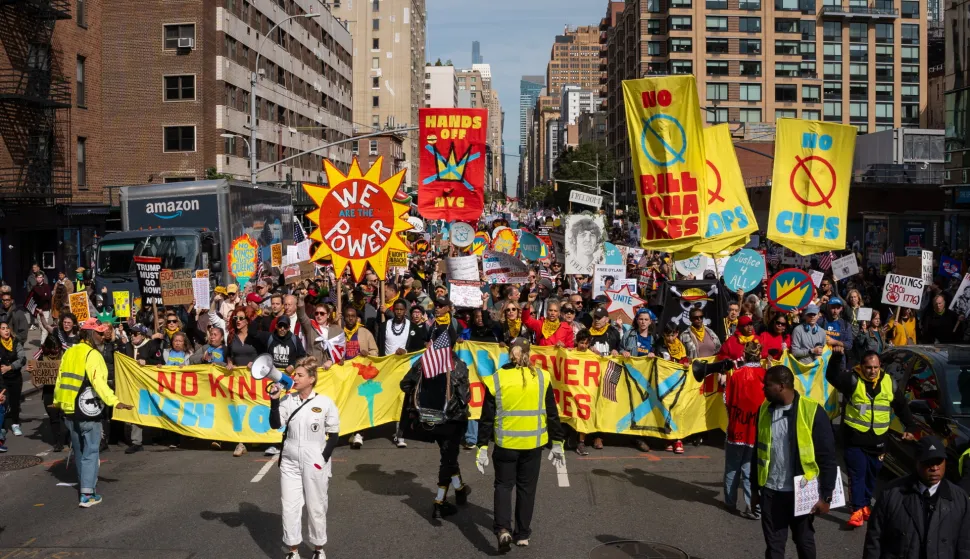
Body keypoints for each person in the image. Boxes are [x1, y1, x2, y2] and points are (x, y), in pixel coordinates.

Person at [475, 337, 566, 552]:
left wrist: (481, 448)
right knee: (527, 489)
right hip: (533, 445)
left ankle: (503, 529)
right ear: (529, 352)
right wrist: (558, 442)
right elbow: (553, 414)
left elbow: (487, 417)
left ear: (509, 353)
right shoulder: (542, 377)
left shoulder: (497, 378)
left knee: (504, 486)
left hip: (506, 444)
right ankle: (522, 534)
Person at [751, 365, 838, 559]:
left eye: (767, 385)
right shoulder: (764, 409)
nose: (763, 389)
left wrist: (826, 496)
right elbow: (757, 452)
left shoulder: (813, 411)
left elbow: (827, 458)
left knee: (804, 541)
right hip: (772, 492)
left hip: (801, 494)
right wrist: (755, 489)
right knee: (774, 547)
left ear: (781, 386)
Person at [827, 348, 918, 528]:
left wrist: (910, 426)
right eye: (868, 367)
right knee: (857, 475)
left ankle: (866, 504)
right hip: (855, 440)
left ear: (880, 367)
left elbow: (901, 405)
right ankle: (857, 509)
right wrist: (836, 357)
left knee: (871, 475)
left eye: (876, 367)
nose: (872, 371)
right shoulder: (852, 379)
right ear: (862, 367)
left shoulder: (888, 383)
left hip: (878, 442)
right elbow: (832, 376)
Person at [53, 318, 134, 507]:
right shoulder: (93, 355)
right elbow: (99, 383)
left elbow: (60, 379)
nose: (103, 336)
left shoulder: (70, 352)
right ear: (90, 334)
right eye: (99, 332)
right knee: (90, 452)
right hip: (87, 411)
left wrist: (57, 402)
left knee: (80, 452)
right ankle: (87, 494)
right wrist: (115, 401)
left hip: (68, 411)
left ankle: (85, 486)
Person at [399, 312, 472, 520]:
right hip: (452, 421)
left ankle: (459, 490)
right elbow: (464, 397)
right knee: (448, 460)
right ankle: (439, 501)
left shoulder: (423, 363)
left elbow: (404, 384)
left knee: (449, 456)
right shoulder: (457, 365)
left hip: (428, 420)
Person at [268, 356, 340, 559]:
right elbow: (275, 424)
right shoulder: (287, 400)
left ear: (311, 378)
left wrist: (322, 460)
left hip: (314, 460)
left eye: (299, 375)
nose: (295, 378)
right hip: (290, 460)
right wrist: (274, 401)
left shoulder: (324, 402)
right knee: (289, 506)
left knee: (316, 505)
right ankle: (293, 550)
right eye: (294, 375)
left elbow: (334, 435)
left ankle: (318, 548)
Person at [863, 435, 970, 559]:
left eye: (939, 462)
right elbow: (874, 539)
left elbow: (965, 545)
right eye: (928, 462)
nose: (935, 468)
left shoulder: (959, 498)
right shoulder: (892, 493)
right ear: (917, 462)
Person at [723, 340, 767, 520]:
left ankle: (730, 502)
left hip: (736, 427)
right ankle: (751, 506)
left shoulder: (736, 375)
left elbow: (727, 400)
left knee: (732, 466)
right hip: (755, 429)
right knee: (749, 470)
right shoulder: (765, 375)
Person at [0, 321, 26, 438]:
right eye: (3, 328)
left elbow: (22, 359)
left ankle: (15, 424)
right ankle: (3, 426)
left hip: (15, 377)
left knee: (15, 402)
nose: (6, 330)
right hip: (2, 379)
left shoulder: (16, 343)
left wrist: (9, 367)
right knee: (3, 402)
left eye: (7, 328)